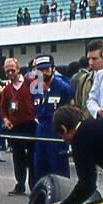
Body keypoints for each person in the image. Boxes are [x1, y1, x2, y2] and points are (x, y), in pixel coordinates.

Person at [28, 55, 74, 183]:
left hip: (57, 130)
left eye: (46, 69)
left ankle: (61, 198)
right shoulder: (34, 87)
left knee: (58, 166)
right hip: (40, 129)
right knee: (40, 165)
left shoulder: (63, 87)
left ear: (53, 69)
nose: (43, 73)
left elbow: (70, 108)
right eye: (40, 70)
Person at [0, 57, 36, 195]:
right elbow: (3, 108)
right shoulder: (7, 89)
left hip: (31, 125)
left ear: (18, 70)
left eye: (12, 70)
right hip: (15, 127)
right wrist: (5, 119)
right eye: (7, 71)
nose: (10, 73)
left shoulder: (31, 83)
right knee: (18, 157)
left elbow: (39, 100)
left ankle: (34, 186)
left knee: (33, 156)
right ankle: (20, 184)